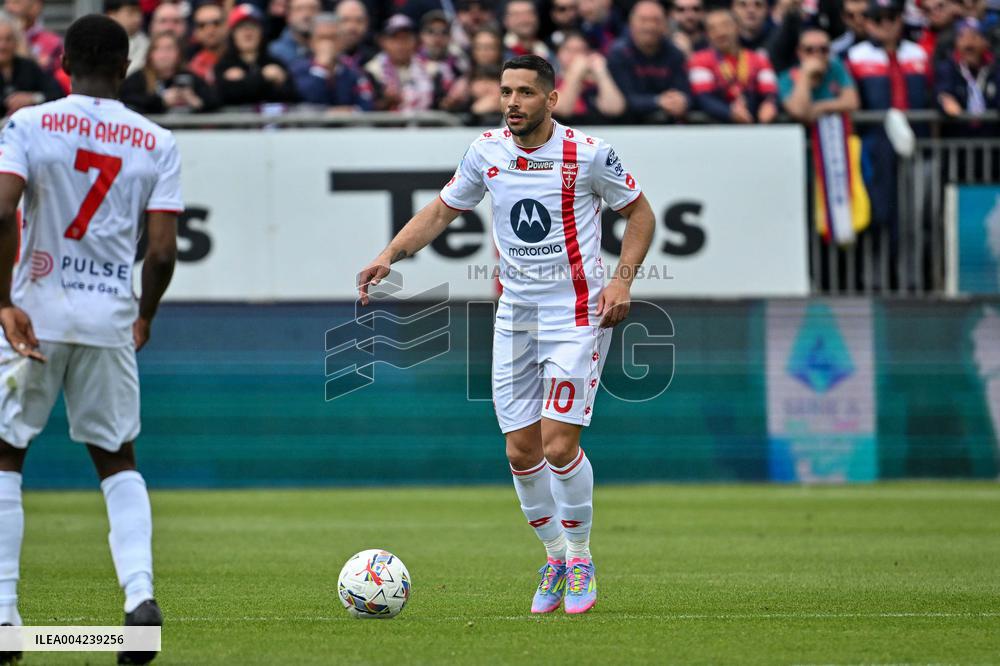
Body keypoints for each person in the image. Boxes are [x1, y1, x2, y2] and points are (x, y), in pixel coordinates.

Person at [357, 54, 655, 616]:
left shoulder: (587, 154)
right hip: (514, 316)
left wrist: (621, 279)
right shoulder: (485, 151)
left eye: (524, 92)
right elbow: (442, 211)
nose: (512, 102)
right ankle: (554, 557)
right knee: (521, 451)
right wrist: (390, 253)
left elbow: (641, 215)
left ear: (551, 99)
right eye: (505, 91)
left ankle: (582, 556)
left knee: (559, 442)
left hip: (575, 314)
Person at [0, 13, 181, 666]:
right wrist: (145, 314)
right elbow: (161, 251)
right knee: (116, 457)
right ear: (127, 67)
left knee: (4, 455)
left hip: (35, 314)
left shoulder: (28, 124)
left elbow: (0, 210)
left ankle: (3, 618)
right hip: (109, 316)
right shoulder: (156, 140)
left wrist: (3, 301)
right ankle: (138, 601)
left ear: (61, 63)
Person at [689, 8, 778, 123]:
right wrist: (729, 112)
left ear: (737, 28)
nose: (720, 32)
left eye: (725, 25)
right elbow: (703, 98)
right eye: (712, 28)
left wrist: (769, 104)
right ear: (707, 35)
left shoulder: (759, 59)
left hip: (754, 126)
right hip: (717, 126)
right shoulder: (699, 60)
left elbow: (770, 92)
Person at [607, 0, 690, 123]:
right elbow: (625, 99)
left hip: (668, 125)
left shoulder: (675, 53)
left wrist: (682, 100)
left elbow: (684, 91)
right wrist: (658, 101)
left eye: (656, 20)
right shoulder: (618, 53)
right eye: (643, 20)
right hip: (627, 125)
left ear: (665, 24)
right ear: (631, 23)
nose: (650, 26)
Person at [214, 3, 297, 107]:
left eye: (253, 27)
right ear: (233, 35)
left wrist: (243, 82)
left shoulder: (276, 62)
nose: (248, 33)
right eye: (242, 28)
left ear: (262, 33)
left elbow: (291, 96)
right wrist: (264, 77)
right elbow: (226, 96)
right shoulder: (224, 65)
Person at [290, 12, 374, 110]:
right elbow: (304, 101)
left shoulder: (355, 73)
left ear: (342, 41)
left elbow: (367, 106)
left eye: (333, 38)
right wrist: (320, 68)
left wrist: (348, 112)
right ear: (312, 42)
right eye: (322, 38)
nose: (328, 44)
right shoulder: (297, 71)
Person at [121, 31, 219, 113]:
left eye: (169, 49)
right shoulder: (138, 78)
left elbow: (215, 100)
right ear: (150, 54)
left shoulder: (188, 77)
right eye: (158, 49)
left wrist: (195, 101)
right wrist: (161, 101)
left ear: (179, 54)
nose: (164, 55)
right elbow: (128, 100)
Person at [935, 17, 1000, 136]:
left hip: (991, 145)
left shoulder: (995, 68)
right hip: (958, 146)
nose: (969, 43)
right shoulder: (948, 68)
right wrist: (945, 100)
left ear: (985, 42)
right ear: (956, 42)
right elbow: (942, 92)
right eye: (962, 37)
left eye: (974, 36)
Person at [779, 26, 859, 123]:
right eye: (809, 50)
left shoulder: (836, 67)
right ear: (799, 52)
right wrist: (805, 75)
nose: (817, 54)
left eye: (823, 49)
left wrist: (819, 107)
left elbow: (852, 102)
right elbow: (799, 111)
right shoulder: (786, 78)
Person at [365, 14, 442, 111]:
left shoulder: (431, 70)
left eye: (406, 38)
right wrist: (386, 101)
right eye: (395, 39)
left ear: (416, 41)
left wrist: (449, 102)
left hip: (426, 125)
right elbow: (367, 111)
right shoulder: (372, 71)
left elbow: (440, 105)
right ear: (383, 42)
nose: (401, 44)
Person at [553, 30, 625, 121]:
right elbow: (563, 110)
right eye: (569, 50)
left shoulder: (594, 85)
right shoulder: (551, 82)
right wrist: (575, 73)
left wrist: (602, 73)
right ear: (559, 54)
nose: (575, 55)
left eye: (581, 50)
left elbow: (615, 110)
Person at [0, 13, 63, 116]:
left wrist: (33, 98)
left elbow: (57, 93)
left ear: (16, 43)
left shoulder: (28, 67)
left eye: (8, 39)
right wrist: (7, 102)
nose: (3, 46)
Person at [3, 0, 62, 75]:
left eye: (16, 2)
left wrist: (19, 35)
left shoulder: (53, 43)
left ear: (36, 6)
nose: (8, 8)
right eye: (7, 2)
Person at [268, 0, 319, 67]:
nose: (307, 14)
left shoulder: (335, 48)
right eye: (299, 9)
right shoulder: (275, 52)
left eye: (312, 9)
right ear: (288, 16)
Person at [105, 0, 148, 75]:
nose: (137, 19)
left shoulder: (147, 43)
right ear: (111, 15)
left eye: (139, 13)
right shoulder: (99, 43)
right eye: (131, 13)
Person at [188, 1, 227, 84]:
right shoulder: (188, 66)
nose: (210, 30)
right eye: (202, 25)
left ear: (227, 25)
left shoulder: (244, 57)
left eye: (216, 23)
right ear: (195, 32)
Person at [335, 0, 377, 68]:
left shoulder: (375, 61)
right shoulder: (322, 59)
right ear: (334, 22)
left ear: (367, 23)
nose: (352, 27)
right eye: (345, 20)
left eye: (359, 21)